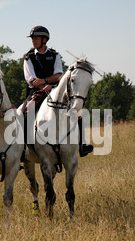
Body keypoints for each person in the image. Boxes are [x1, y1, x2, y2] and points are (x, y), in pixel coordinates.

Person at [22, 25, 93, 157]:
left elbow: (59, 75)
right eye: (32, 38)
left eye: (36, 38)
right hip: (36, 93)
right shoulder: (28, 57)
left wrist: (45, 82)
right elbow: (31, 79)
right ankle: (23, 147)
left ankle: (82, 144)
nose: (33, 41)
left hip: (56, 90)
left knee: (76, 111)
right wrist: (42, 85)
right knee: (23, 111)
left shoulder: (54, 55)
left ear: (44, 40)